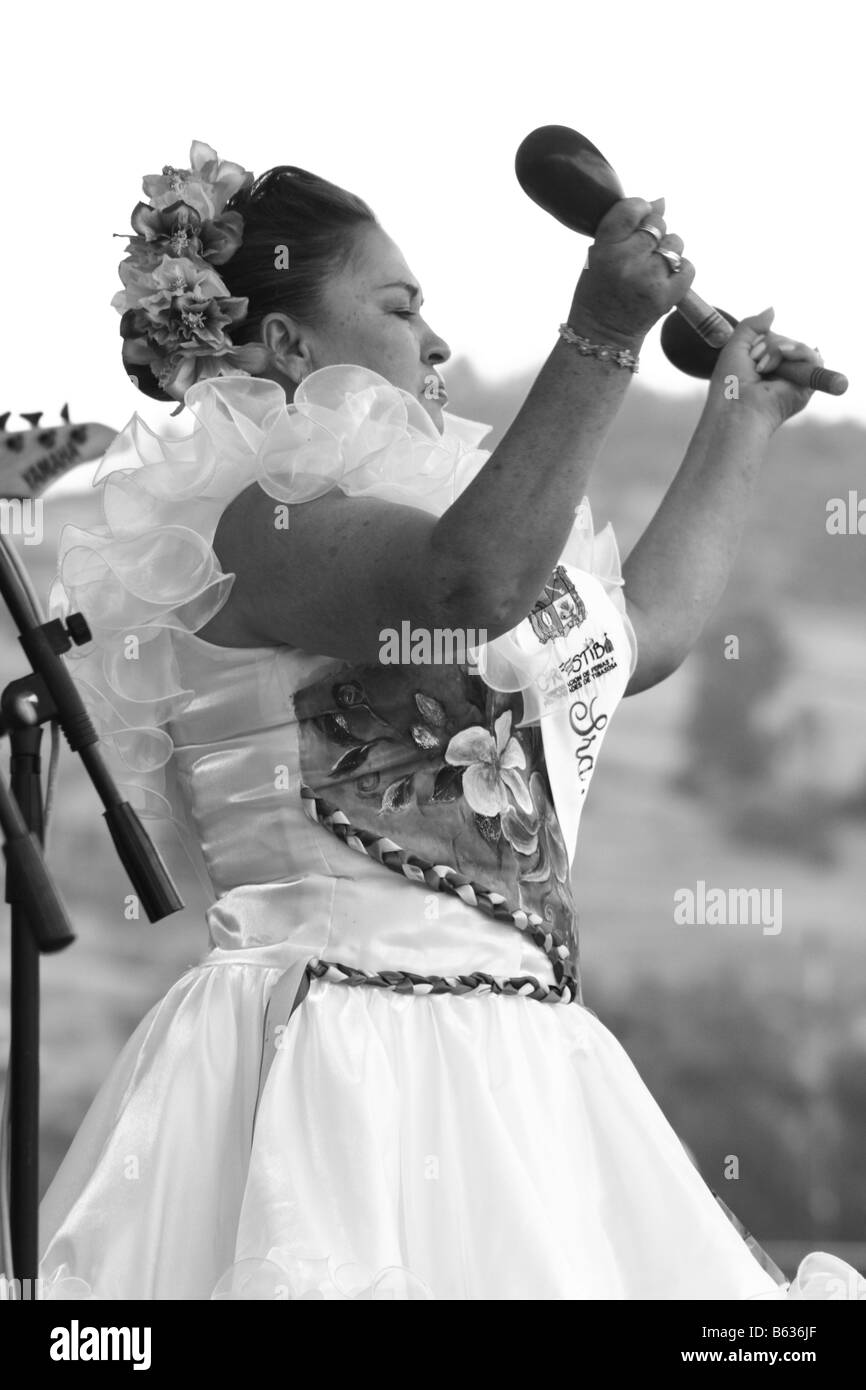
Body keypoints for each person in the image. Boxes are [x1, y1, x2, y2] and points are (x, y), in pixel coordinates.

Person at [37, 141, 863, 1300]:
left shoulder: (439, 522)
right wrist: (599, 337)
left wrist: (739, 410)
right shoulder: (249, 525)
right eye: (399, 304)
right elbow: (466, 585)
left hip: (519, 1062)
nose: (434, 342)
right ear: (285, 346)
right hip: (340, 1062)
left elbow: (641, 635)